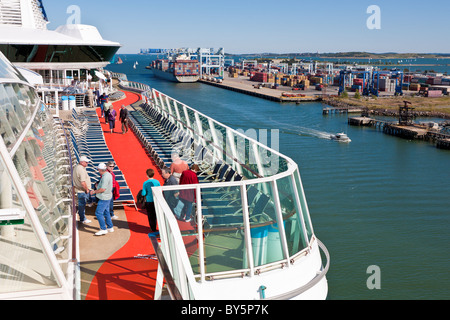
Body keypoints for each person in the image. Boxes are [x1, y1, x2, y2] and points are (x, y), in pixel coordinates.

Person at [90, 163, 114, 236]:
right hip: (107, 196)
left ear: (100, 170)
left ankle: (103, 229)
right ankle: (110, 227)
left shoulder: (105, 177)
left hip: (104, 198)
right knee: (106, 212)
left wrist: (94, 192)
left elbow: (103, 189)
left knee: (98, 213)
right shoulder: (108, 175)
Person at [73, 156, 92, 224]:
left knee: (82, 205)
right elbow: (83, 182)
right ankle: (83, 218)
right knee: (82, 205)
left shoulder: (77, 167)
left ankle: (82, 217)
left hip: (79, 190)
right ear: (82, 162)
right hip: (82, 191)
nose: (87, 163)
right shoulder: (81, 170)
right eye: (86, 162)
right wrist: (87, 189)